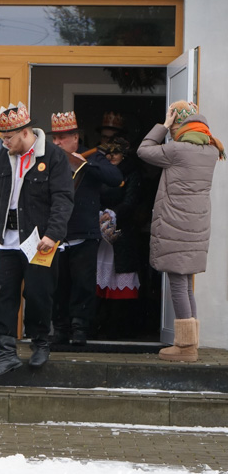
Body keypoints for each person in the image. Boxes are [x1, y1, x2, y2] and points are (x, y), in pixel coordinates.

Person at [0, 103, 73, 378]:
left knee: (38, 293)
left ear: (24, 133)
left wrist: (53, 233)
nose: (3, 141)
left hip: (40, 241)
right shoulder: (4, 156)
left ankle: (40, 343)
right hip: (9, 240)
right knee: (4, 294)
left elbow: (63, 198)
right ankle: (6, 352)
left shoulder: (54, 157)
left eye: (8, 137)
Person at [137, 101, 223, 362]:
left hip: (176, 226)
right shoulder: (210, 150)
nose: (171, 131)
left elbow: (143, 150)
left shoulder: (177, 150)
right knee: (185, 285)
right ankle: (191, 345)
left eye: (173, 126)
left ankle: (185, 348)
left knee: (178, 284)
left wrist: (161, 126)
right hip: (195, 228)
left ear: (179, 125)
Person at [49, 111, 123, 345]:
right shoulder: (47, 161)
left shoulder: (94, 160)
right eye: (55, 139)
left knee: (83, 286)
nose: (57, 143)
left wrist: (84, 164)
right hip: (55, 236)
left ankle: (80, 332)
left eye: (62, 138)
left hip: (84, 235)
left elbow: (115, 177)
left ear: (75, 139)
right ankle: (59, 331)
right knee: (57, 287)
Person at [95, 138, 142, 338]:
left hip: (124, 235)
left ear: (124, 154)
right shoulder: (99, 173)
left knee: (121, 281)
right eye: (108, 152)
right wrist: (96, 213)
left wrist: (113, 213)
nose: (111, 156)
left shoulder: (132, 174)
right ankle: (99, 327)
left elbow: (131, 201)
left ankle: (121, 330)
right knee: (99, 282)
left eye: (116, 152)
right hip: (99, 234)